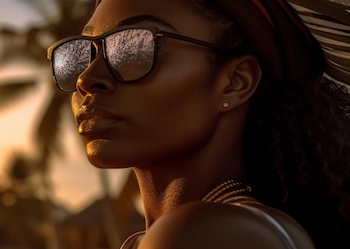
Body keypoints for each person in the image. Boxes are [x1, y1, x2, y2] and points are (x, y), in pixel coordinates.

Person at [47, 0, 350, 248]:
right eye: (83, 55)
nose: (86, 79)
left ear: (235, 82)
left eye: (132, 48)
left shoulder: (208, 234)